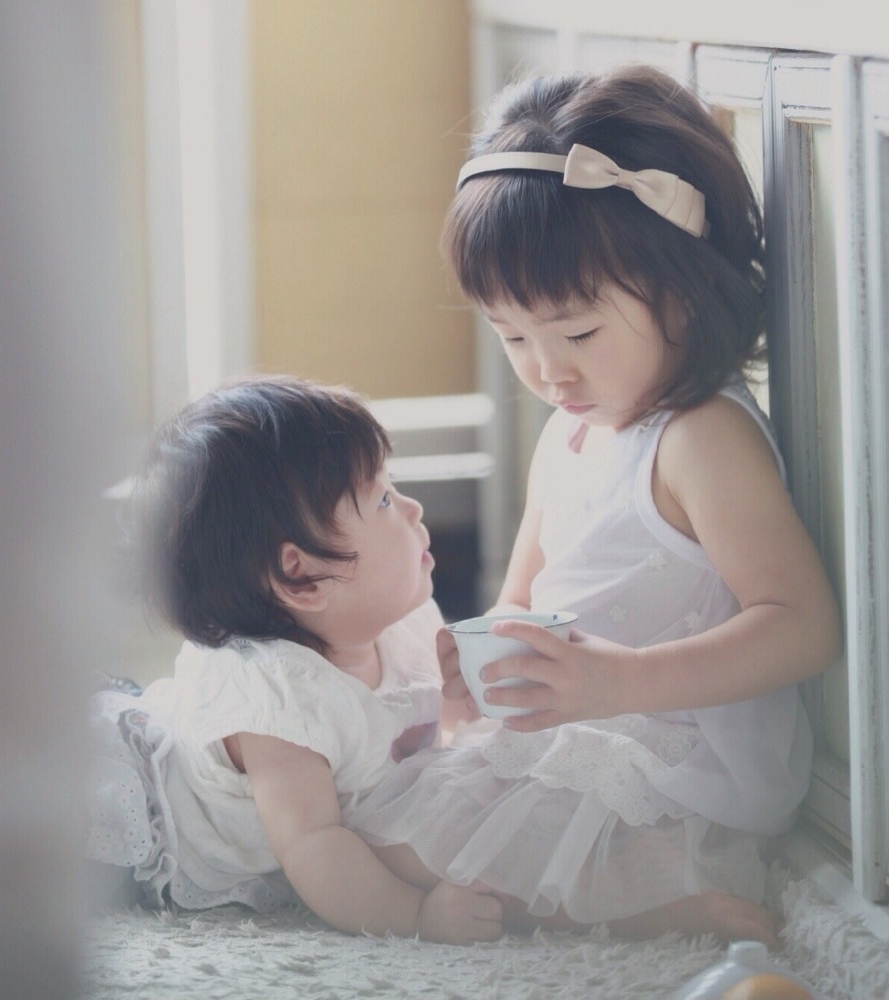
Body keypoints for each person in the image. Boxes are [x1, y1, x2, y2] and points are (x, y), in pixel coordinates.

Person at [348, 64, 841, 948]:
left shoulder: (699, 438)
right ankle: (599, 888)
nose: (547, 370)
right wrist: (481, 667)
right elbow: (523, 599)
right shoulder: (569, 432)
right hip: (586, 723)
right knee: (371, 825)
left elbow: (802, 626)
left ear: (681, 289)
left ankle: (665, 903)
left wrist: (619, 683)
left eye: (577, 332)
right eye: (512, 336)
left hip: (676, 759)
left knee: (419, 847)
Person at [85, 375, 502, 945]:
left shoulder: (399, 622)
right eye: (382, 500)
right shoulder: (279, 700)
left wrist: (462, 701)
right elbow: (315, 848)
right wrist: (417, 916)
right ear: (301, 577)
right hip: (138, 814)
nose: (413, 508)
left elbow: (415, 731)